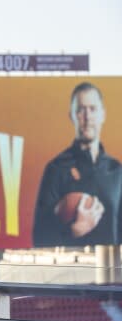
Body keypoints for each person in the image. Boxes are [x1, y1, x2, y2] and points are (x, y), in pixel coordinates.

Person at [33, 82, 122, 247]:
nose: (87, 117)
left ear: (103, 115)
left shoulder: (117, 170)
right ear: (71, 116)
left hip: (112, 269)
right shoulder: (56, 169)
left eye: (93, 109)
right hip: (73, 269)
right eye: (80, 110)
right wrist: (74, 231)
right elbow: (39, 236)